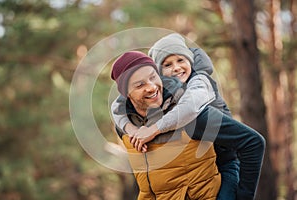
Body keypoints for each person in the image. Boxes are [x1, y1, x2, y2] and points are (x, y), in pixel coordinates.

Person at [111, 35, 265, 200]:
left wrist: (155, 129)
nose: (176, 68)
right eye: (167, 64)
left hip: (225, 164)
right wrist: (130, 129)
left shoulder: (196, 93)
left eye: (180, 60)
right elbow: (117, 108)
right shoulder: (130, 118)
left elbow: (190, 107)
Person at [111, 51, 221, 199]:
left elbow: (246, 146)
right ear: (126, 94)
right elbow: (116, 109)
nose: (150, 87)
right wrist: (130, 129)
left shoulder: (189, 112)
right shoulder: (124, 123)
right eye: (139, 85)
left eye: (152, 77)